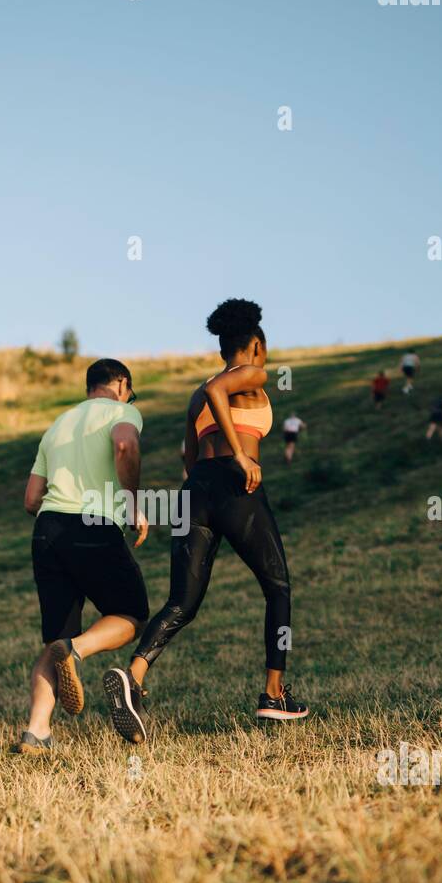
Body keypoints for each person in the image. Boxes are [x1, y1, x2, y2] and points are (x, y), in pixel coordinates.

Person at [103, 298, 307, 744]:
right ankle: (274, 693)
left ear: (221, 351)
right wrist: (239, 455)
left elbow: (189, 454)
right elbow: (223, 395)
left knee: (183, 602)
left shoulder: (199, 390)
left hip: (194, 492)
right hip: (235, 486)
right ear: (256, 344)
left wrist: (200, 485)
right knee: (278, 588)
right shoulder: (252, 374)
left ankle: (133, 677)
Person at [15, 359, 149, 754]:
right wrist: (134, 503)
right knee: (131, 615)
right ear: (121, 383)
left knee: (54, 636)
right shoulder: (122, 411)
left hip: (47, 530)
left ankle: (36, 732)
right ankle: (76, 651)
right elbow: (125, 444)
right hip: (92, 523)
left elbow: (30, 500)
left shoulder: (57, 425)